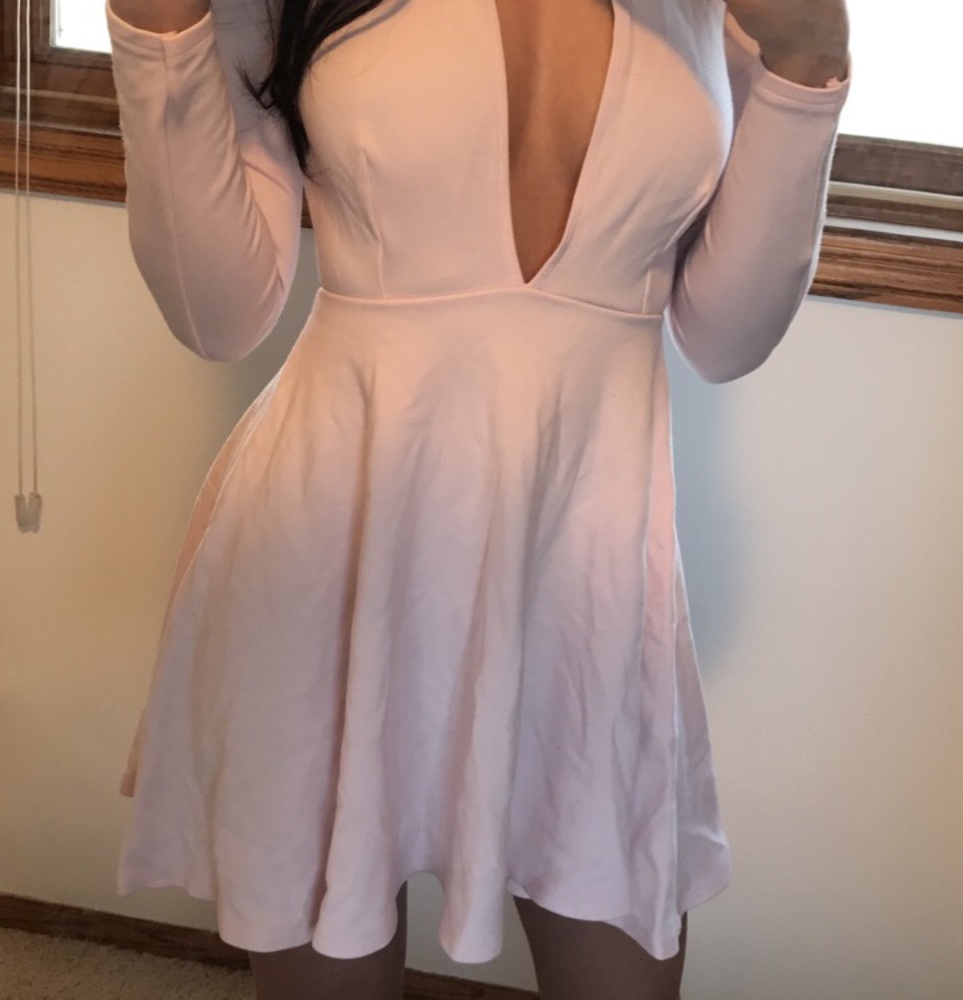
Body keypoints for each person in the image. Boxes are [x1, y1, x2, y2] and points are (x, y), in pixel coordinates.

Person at [103, 0, 850, 997]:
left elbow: (727, 333)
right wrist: (159, 26)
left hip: (584, 557)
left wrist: (809, 55)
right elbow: (218, 311)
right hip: (340, 540)